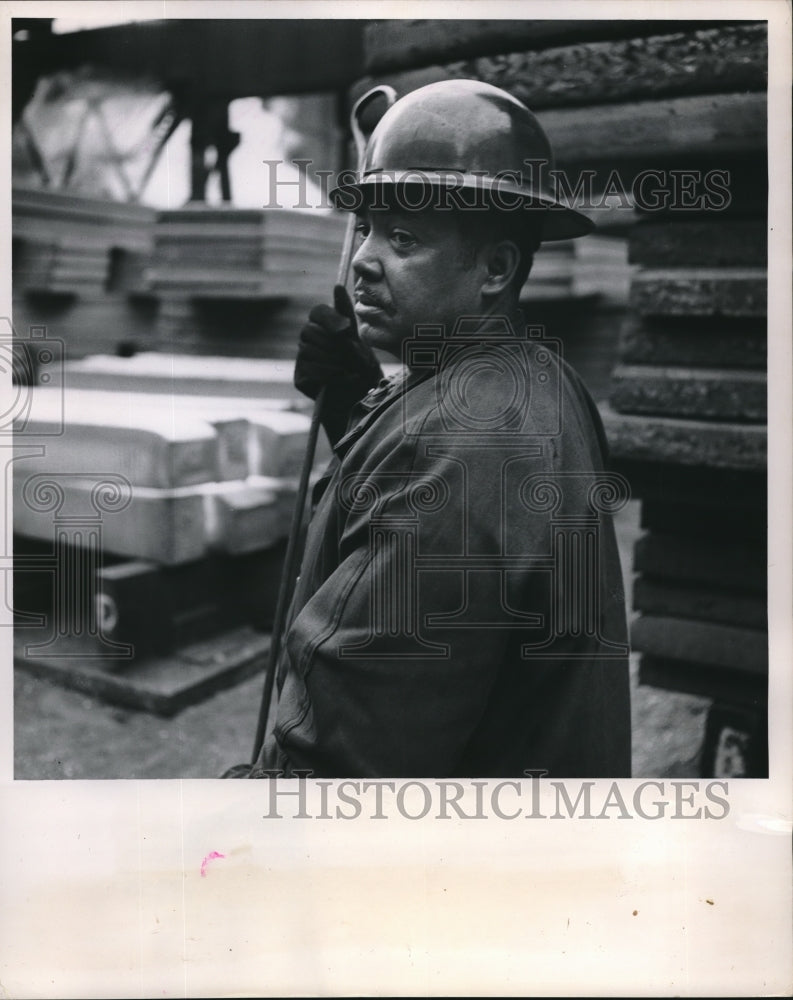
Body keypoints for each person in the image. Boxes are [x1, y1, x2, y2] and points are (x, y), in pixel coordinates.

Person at [250, 80, 631, 779]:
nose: (363, 259)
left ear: (493, 269)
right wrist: (358, 407)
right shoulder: (532, 381)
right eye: (365, 228)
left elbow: (345, 766)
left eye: (403, 237)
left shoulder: (462, 443)